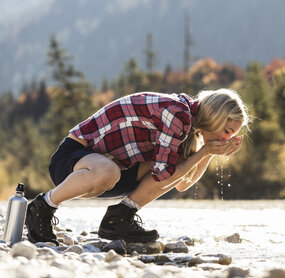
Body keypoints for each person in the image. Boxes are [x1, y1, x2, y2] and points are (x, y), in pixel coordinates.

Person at [25, 89, 249, 245]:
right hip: (72, 160)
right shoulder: (178, 113)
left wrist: (208, 152)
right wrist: (205, 151)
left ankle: (120, 218)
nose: (228, 138)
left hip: (109, 170)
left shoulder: (189, 127)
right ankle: (41, 207)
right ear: (216, 118)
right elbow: (165, 175)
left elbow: (182, 183)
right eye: (227, 131)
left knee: (172, 165)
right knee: (109, 171)